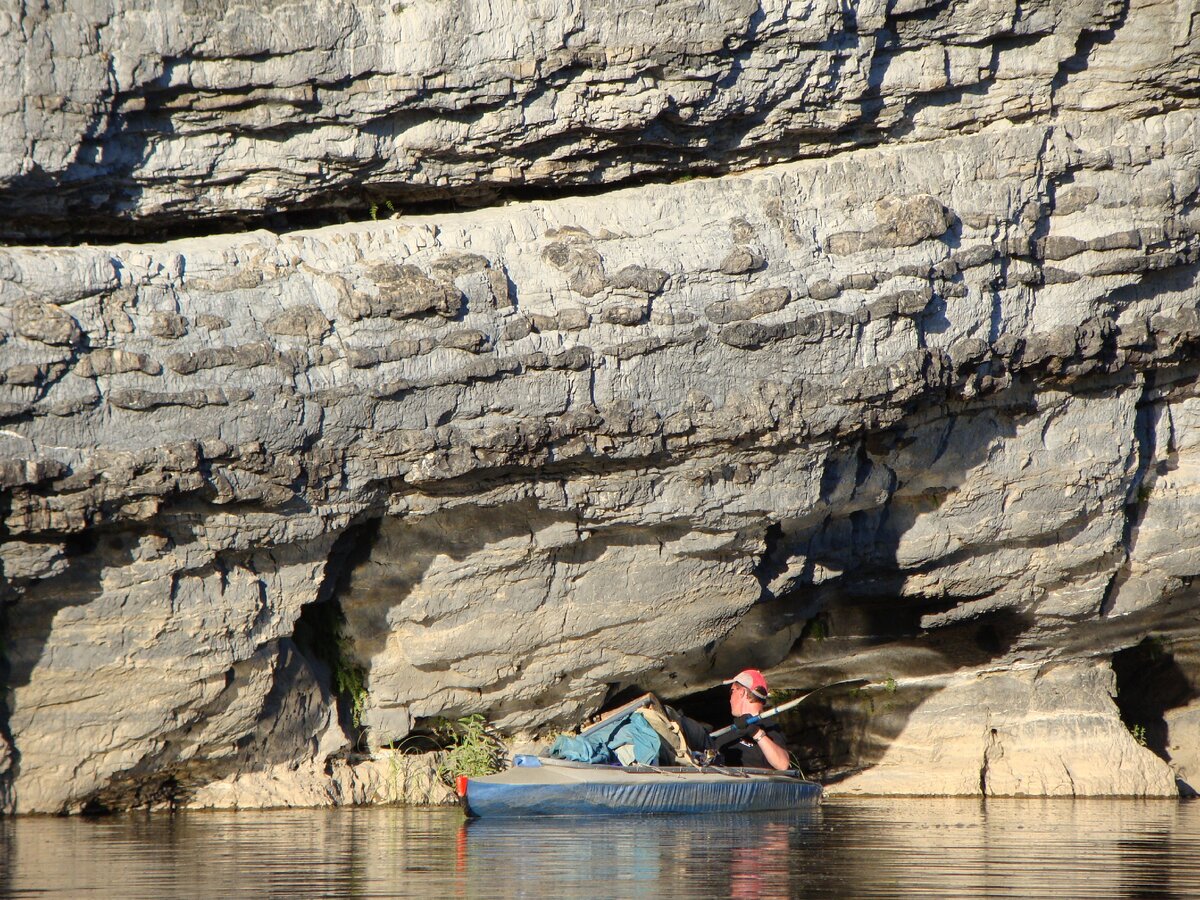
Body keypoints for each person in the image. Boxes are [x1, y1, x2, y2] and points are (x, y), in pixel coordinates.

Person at [717, 668, 790, 770]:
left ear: (741, 692)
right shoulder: (730, 727)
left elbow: (783, 764)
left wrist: (755, 732)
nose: (730, 699)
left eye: (731, 691)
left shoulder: (769, 727)